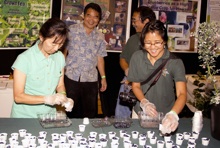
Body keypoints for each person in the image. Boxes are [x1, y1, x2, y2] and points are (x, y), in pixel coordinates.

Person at [128, 20, 187, 134]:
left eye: (157, 42)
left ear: (164, 41)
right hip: (140, 114)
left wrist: (173, 114)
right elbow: (135, 86)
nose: (153, 47)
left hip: (165, 116)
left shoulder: (175, 62)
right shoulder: (137, 57)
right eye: (148, 43)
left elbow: (182, 94)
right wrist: (144, 102)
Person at [11, 18, 73, 118]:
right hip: (25, 117)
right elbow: (18, 96)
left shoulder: (59, 57)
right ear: (41, 37)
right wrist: (47, 99)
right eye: (54, 43)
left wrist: (63, 98)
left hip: (48, 117)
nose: (57, 48)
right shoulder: (24, 59)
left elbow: (60, 85)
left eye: (60, 44)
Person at [64, 3, 107, 118]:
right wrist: (61, 71)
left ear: (99, 20)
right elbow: (64, 52)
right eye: (89, 15)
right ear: (83, 15)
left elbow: (100, 58)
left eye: (95, 17)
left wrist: (103, 77)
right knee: (69, 111)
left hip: (90, 80)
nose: (91, 19)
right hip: (71, 77)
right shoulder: (71, 31)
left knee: (89, 114)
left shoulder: (100, 36)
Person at [115, 6, 156, 118]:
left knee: (145, 117)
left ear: (146, 21)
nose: (133, 23)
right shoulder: (133, 39)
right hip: (128, 82)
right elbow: (123, 58)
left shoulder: (157, 40)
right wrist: (128, 71)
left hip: (149, 84)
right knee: (121, 115)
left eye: (134, 20)